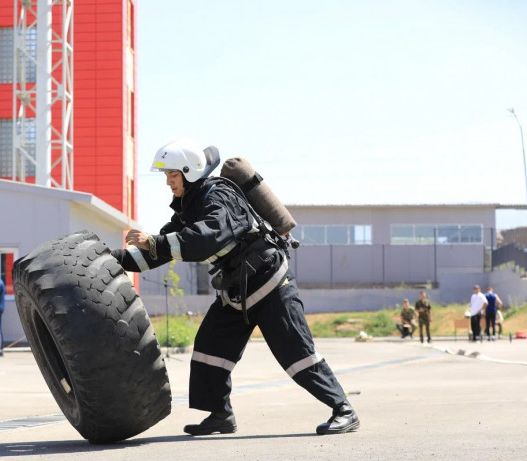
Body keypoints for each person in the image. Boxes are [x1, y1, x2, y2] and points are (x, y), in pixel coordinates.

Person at [110, 138, 359, 436]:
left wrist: (154, 241)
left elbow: (205, 239)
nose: (168, 182)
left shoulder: (219, 196)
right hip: (238, 289)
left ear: (190, 172)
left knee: (297, 354)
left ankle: (344, 409)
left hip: (270, 285)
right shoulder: (190, 207)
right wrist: (111, 259)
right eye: (167, 176)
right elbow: (159, 251)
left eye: (173, 175)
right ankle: (221, 415)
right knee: (209, 349)